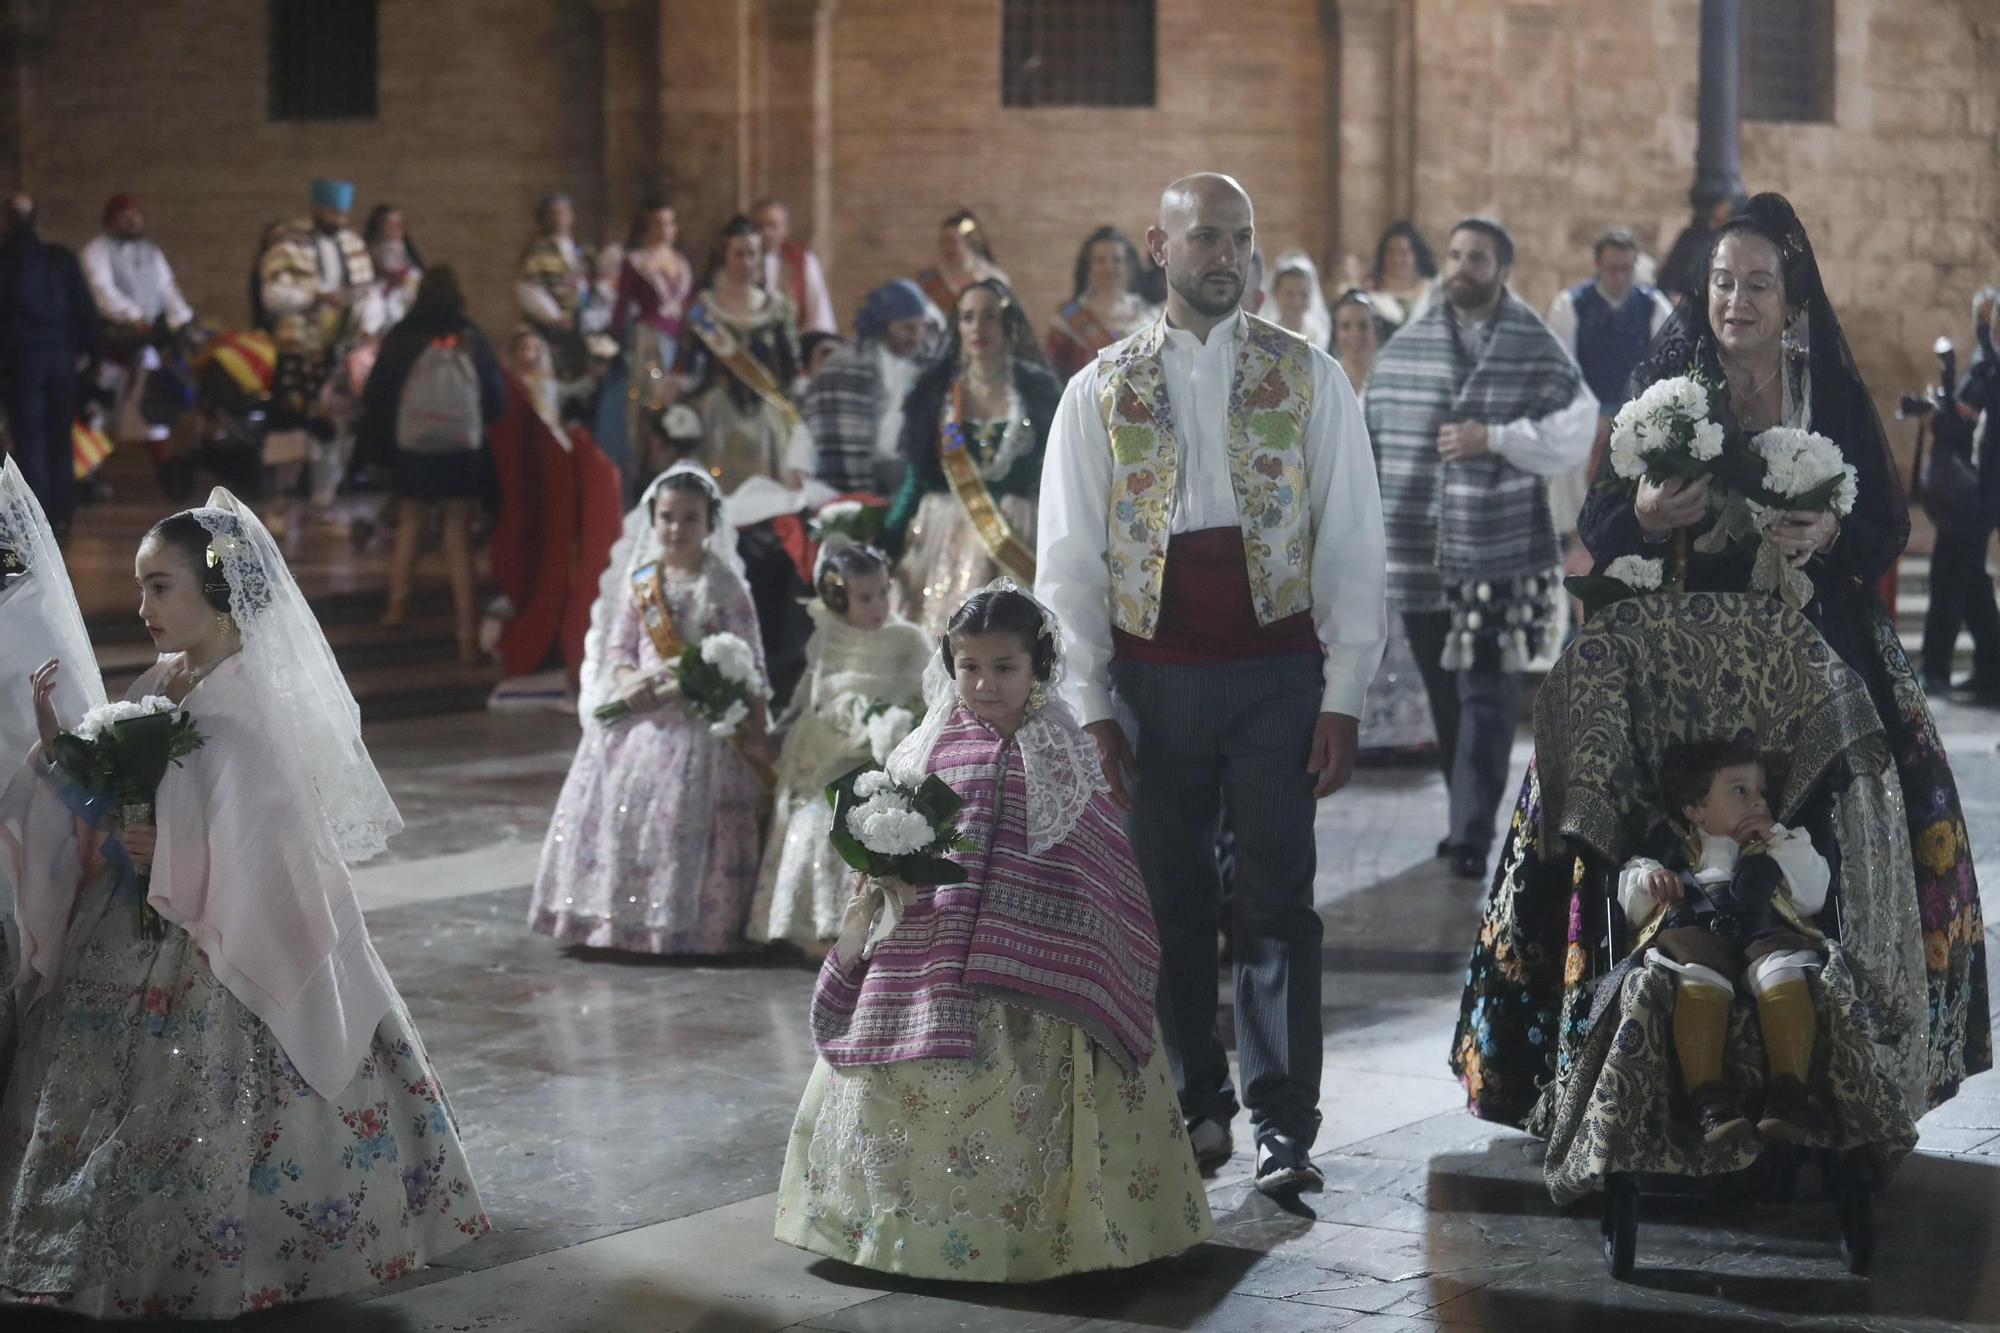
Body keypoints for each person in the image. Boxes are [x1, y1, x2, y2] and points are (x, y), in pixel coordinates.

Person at [1456, 193, 1991, 1130]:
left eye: (1757, 285)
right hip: (1678, 664)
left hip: (1811, 661)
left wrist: (1828, 528)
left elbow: (1886, 527)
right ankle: (1644, 1060)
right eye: (1721, 282)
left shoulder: (1823, 386)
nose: (1736, 301)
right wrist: (1647, 519)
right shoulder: (1669, 380)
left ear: (1792, 299)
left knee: (1829, 843)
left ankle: (1815, 1073)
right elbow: (1599, 519)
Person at [0, 491, 487, 1316]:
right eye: (141, 586)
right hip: (134, 917)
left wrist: (173, 846)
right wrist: (60, 745)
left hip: (214, 937)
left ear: (219, 589)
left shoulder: (253, 700)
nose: (143, 606)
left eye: (161, 587)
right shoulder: (166, 679)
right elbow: (115, 805)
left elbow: (277, 846)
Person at [1038, 174, 1388, 1194]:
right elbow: (1065, 561)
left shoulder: (1309, 376)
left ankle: (1285, 1124)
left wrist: (1344, 691)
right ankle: (1196, 1104)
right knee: (1169, 902)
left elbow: (1352, 545)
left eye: (1239, 235)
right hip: (1151, 679)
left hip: (1276, 672)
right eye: (1203, 237)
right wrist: (1092, 706)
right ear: (1160, 244)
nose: (1224, 254)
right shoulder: (1097, 387)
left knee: (1278, 897)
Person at [776, 584, 1214, 1277]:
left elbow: (1100, 862)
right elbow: (894, 838)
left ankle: (1044, 1235)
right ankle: (899, 1226)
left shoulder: (1064, 750)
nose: (983, 683)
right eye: (968, 665)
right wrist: (883, 875)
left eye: (1003, 667)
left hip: (1044, 984)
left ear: (1037, 664)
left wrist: (1087, 936)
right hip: (932, 969)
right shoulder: (928, 747)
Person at [1364, 217, 1597, 882]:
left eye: (1479, 258)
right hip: (1418, 545)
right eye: (1457, 255)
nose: (1463, 267)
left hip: (1499, 546)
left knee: (1487, 692)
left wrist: (1493, 438)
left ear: (1504, 270)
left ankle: (1471, 829)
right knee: (1445, 693)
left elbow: (1571, 429)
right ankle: (1463, 813)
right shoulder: (1405, 349)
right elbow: (1373, 432)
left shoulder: (1533, 344)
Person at [529, 464, 773, 954]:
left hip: (702, 721)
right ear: (652, 521)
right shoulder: (642, 584)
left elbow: (750, 661)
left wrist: (752, 724)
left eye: (689, 519)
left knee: (685, 812)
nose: (677, 529)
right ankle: (613, 920)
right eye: (667, 518)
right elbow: (619, 650)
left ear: (710, 524)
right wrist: (629, 681)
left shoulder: (725, 586)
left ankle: (691, 924)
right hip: (641, 715)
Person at [1615, 737, 1829, 1142]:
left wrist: (1779, 840)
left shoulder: (1780, 844)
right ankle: (1710, 1102)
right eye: (1739, 790)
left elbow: (1814, 894)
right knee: (1698, 975)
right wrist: (1649, 880)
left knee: (1783, 968)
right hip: (1696, 933)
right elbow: (1630, 896)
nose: (1756, 801)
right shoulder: (1671, 846)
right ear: (1696, 810)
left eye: (1760, 792)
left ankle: (1788, 1097)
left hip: (1764, 931)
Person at [745, 542, 929, 947]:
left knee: (871, 814)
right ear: (837, 599)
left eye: (884, 592)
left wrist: (902, 726)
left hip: (884, 751)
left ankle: (877, 924)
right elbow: (809, 695)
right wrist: (776, 734)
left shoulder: (907, 640)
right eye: (865, 597)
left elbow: (925, 696)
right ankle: (817, 925)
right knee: (817, 814)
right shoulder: (828, 639)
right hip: (827, 747)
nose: (879, 604)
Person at [885, 278, 1057, 639]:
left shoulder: (1037, 389)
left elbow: (1056, 474)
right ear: (957, 326)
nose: (978, 327)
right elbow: (916, 478)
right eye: (967, 317)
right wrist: (886, 535)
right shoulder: (936, 391)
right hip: (945, 535)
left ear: (1008, 324)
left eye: (990, 317)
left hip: (1019, 533)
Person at [356, 265, 509, 662]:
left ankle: (396, 606)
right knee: (457, 530)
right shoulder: (471, 336)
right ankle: (466, 636)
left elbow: (376, 395)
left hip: (414, 447)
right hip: (460, 448)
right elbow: (496, 401)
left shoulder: (402, 335)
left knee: (411, 521)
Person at [256, 180, 385, 510]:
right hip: (300, 350)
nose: (337, 218)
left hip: (339, 352)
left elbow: (369, 293)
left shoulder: (353, 244)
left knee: (336, 429)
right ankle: (281, 501)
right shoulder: (290, 244)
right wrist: (315, 296)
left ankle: (324, 502)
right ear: (314, 208)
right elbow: (272, 294)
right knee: (293, 428)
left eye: (342, 213)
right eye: (330, 211)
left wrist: (368, 327)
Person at [1543, 226, 1674, 540]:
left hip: (1639, 420)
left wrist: (1630, 418)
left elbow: (1668, 366)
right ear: (1597, 266)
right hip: (1584, 416)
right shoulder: (1571, 305)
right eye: (1612, 269)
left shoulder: (1653, 306)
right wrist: (1594, 417)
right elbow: (1561, 371)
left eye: (1626, 269)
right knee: (1571, 468)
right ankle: (1576, 545)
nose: (1620, 277)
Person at [673, 215, 814, 495]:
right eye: (738, 254)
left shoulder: (777, 308)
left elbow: (792, 370)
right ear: (723, 255)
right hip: (718, 418)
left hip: (767, 419)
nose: (745, 262)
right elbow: (683, 370)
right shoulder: (702, 308)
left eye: (752, 254)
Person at [0, 192, 101, 540]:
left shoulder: (5, 262)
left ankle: (36, 522)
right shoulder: (60, 260)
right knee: (60, 440)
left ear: (7, 221)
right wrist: (92, 358)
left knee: (29, 444)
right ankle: (61, 519)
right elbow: (86, 311)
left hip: (22, 364)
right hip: (61, 362)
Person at [1925, 285, 2000, 701]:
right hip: (1975, 497)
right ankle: (1988, 670)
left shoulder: (1989, 369)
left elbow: (1973, 428)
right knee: (1968, 581)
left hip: (1975, 497)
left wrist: (1944, 417)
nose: (1987, 327)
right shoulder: (1985, 365)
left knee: (1956, 580)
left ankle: (1947, 668)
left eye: (1992, 320)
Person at [595, 198, 694, 487]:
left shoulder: (682, 262)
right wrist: (609, 343)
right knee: (649, 402)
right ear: (647, 228)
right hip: (648, 344)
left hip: (678, 342)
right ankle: (647, 470)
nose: (665, 230)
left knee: (676, 399)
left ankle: (674, 465)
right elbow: (621, 307)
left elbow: (689, 305)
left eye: (670, 223)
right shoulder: (636, 261)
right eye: (658, 224)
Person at [802, 278, 933, 494]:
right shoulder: (842, 365)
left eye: (921, 327)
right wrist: (799, 466)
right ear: (883, 325)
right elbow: (812, 419)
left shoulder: (931, 365)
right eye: (907, 328)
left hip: (912, 475)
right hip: (858, 474)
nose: (916, 337)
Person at [1044, 225, 1156, 382]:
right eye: (1100, 261)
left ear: (1129, 266)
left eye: (1117, 260)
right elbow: (1054, 375)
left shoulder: (1148, 314)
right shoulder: (1069, 317)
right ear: (1088, 268)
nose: (1109, 267)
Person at [517, 191, 608, 381]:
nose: (559, 218)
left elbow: (595, 281)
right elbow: (529, 289)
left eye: (563, 212)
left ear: (571, 216)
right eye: (553, 213)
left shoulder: (583, 248)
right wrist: (555, 316)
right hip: (553, 329)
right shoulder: (537, 250)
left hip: (583, 325)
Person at [79, 192, 195, 338]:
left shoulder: (151, 250)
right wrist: (133, 316)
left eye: (135, 216)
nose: (133, 222)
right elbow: (100, 288)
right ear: (112, 221)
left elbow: (166, 286)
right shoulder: (96, 250)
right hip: (118, 332)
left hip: (154, 329)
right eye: (126, 217)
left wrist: (183, 316)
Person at [752, 197, 836, 336]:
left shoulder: (804, 261)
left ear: (785, 228)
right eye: (758, 226)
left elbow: (819, 313)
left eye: (772, 225)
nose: (765, 233)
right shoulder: (740, 261)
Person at [914, 207, 1009, 316]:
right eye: (943, 242)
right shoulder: (930, 278)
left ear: (968, 241)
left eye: (953, 242)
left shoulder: (991, 277)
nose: (948, 248)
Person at [1656, 190, 1744, 308]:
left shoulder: (1740, 253)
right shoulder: (1690, 238)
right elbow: (1666, 279)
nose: (1712, 225)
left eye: (1719, 220)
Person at [1361, 220, 1437, 333]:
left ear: (1416, 255)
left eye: (1403, 252)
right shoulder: (1369, 290)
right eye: (1390, 252)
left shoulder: (1432, 290)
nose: (1396, 259)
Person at [364, 202, 425, 327]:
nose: (397, 228)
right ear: (379, 227)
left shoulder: (407, 253)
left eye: (399, 224)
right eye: (390, 224)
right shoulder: (371, 253)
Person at [1261, 250, 1333, 350]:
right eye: (1290, 295)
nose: (1297, 302)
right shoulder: (1265, 333)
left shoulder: (1318, 336)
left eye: (1303, 295)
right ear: (1275, 293)